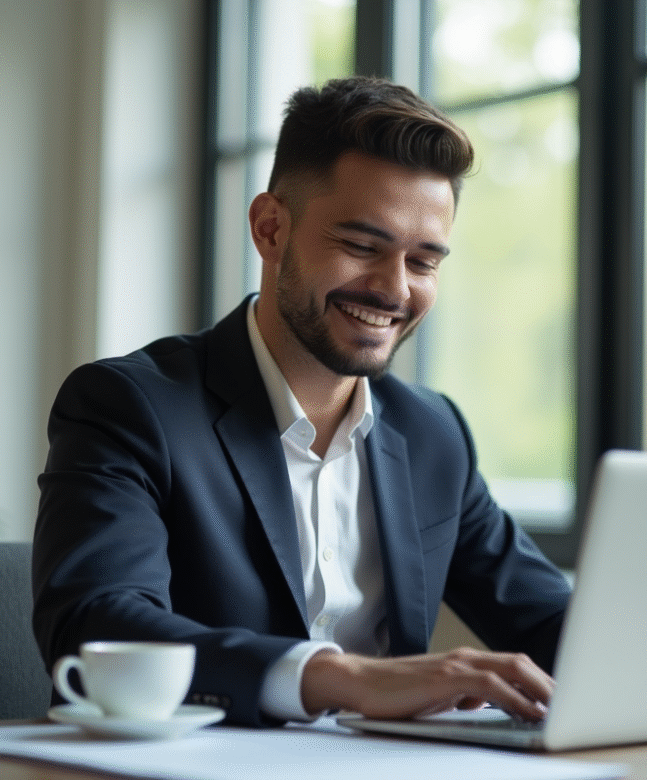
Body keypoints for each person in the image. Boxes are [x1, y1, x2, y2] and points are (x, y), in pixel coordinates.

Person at [32, 76, 572, 728]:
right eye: (362, 246)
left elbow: (549, 617)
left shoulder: (433, 435)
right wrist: (342, 677)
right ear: (269, 229)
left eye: (424, 262)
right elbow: (97, 623)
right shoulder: (130, 406)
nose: (393, 290)